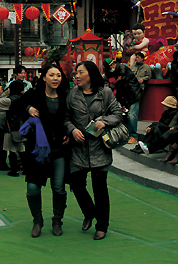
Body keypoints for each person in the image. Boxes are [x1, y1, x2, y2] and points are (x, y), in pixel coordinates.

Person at [65, 61, 123, 241]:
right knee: (76, 184)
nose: (76, 76)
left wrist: (104, 122)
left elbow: (118, 113)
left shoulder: (104, 92)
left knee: (100, 189)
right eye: (75, 73)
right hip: (78, 148)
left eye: (80, 72)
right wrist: (72, 129)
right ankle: (89, 212)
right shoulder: (72, 94)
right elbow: (66, 117)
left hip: (99, 148)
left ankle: (102, 226)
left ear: (90, 74)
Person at [12, 63, 70, 238]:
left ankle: (57, 220)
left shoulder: (65, 96)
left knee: (58, 187)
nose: (55, 78)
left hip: (58, 148)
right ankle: (37, 220)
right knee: (33, 187)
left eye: (58, 75)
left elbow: (70, 118)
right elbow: (14, 108)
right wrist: (27, 108)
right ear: (43, 77)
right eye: (51, 75)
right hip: (36, 149)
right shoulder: (33, 95)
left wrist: (68, 132)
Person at [104, 58, 143, 143]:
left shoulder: (122, 68)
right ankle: (126, 134)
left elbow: (122, 83)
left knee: (132, 115)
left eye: (112, 65)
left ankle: (133, 136)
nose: (111, 67)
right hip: (124, 97)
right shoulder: (111, 73)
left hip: (133, 94)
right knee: (124, 115)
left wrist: (116, 83)